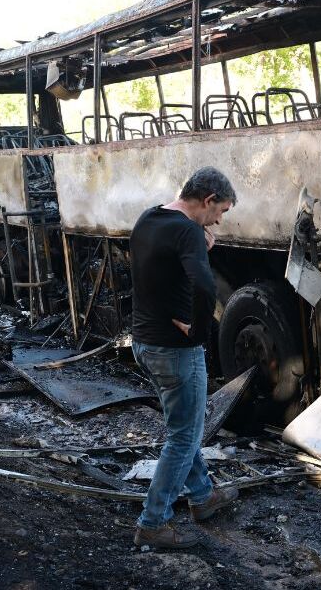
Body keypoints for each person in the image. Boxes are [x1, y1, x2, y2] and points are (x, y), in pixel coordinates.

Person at [129, 166, 238, 549]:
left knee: (183, 427)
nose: (218, 221)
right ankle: (153, 522)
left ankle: (203, 496)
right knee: (183, 437)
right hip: (175, 351)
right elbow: (205, 287)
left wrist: (194, 248)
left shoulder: (150, 218)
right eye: (220, 211)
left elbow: (156, 270)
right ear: (208, 200)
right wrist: (199, 333)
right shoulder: (188, 231)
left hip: (145, 343)